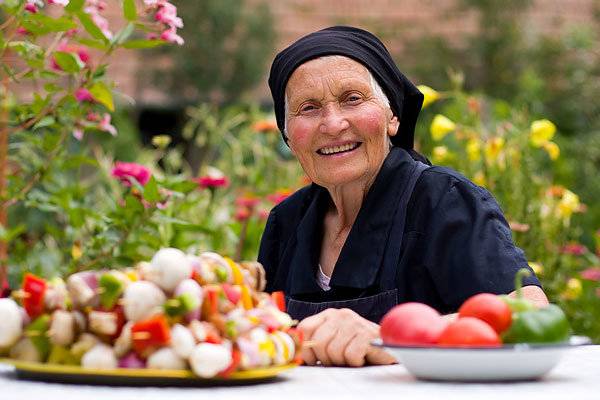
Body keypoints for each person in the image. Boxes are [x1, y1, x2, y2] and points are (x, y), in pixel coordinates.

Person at [259, 26, 548, 367]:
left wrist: (391, 339)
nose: (333, 124)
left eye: (352, 98)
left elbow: (531, 310)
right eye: (308, 108)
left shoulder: (443, 200)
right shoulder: (287, 221)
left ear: (392, 116)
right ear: (289, 136)